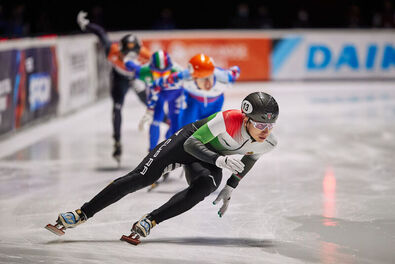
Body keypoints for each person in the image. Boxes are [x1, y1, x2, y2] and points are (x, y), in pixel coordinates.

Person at [46, 92, 279, 244]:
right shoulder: (228, 119)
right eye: (260, 124)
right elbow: (191, 143)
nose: (265, 131)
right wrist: (219, 161)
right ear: (246, 119)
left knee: (204, 188)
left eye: (270, 125)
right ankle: (82, 213)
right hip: (187, 142)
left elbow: (250, 158)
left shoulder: (269, 142)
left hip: (210, 159)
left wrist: (230, 186)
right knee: (140, 178)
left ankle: (149, 221)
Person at [77, 11, 151, 165]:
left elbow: (162, 70)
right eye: (125, 55)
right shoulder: (112, 50)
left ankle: (170, 123)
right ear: (120, 50)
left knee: (151, 105)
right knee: (117, 108)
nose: (128, 59)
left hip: (136, 77)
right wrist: (86, 25)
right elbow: (100, 33)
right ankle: (117, 141)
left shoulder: (146, 55)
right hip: (119, 79)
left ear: (139, 52)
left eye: (133, 55)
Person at [124, 50, 183, 151]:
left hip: (175, 94)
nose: (161, 77)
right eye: (157, 73)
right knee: (156, 120)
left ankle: (170, 138)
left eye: (165, 73)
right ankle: (152, 150)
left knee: (175, 123)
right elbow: (131, 66)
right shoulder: (143, 72)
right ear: (151, 70)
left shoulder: (178, 72)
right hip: (158, 94)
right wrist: (128, 61)